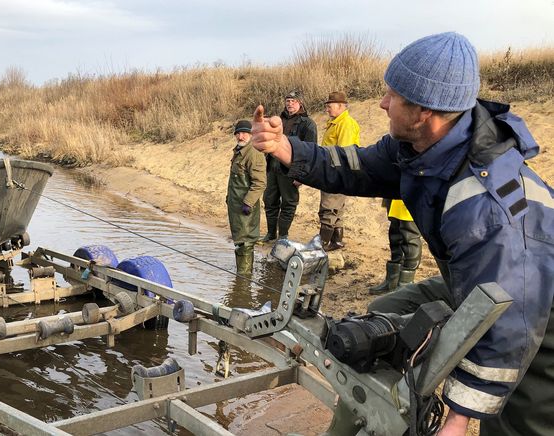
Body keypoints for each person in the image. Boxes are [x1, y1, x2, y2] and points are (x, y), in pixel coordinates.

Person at [251, 32, 554, 436]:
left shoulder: (487, 207)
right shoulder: (421, 148)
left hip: (537, 308)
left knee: (516, 420)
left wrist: (458, 418)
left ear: (424, 110)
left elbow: (512, 317)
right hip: (479, 280)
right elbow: (359, 165)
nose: (382, 103)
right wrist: (288, 149)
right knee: (386, 316)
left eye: (392, 95)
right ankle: (385, 415)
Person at [261, 91, 317, 242]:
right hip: (273, 167)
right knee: (269, 200)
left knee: (289, 202)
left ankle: (283, 236)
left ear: (300, 103)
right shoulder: (278, 120)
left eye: (293, 101)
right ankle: (271, 234)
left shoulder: (308, 124)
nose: (290, 103)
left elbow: (311, 151)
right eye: (288, 100)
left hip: (291, 170)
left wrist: (301, 175)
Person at [318, 91, 360, 251]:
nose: (327, 109)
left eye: (329, 106)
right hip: (334, 172)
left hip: (336, 173)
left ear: (341, 106)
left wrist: (335, 175)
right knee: (336, 209)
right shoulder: (336, 123)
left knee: (329, 208)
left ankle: (322, 244)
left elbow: (344, 152)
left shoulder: (345, 124)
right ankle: (336, 241)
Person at [226, 120, 266, 276]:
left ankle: (244, 279)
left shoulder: (254, 153)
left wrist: (248, 203)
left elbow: (260, 183)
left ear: (251, 135)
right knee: (239, 240)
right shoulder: (238, 151)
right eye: (238, 133)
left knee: (246, 242)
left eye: (244, 133)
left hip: (246, 207)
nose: (240, 136)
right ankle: (242, 275)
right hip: (235, 205)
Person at [369, 199, 422, 294]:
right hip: (395, 193)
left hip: (410, 191)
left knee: (409, 235)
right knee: (395, 234)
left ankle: (405, 284)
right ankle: (392, 281)